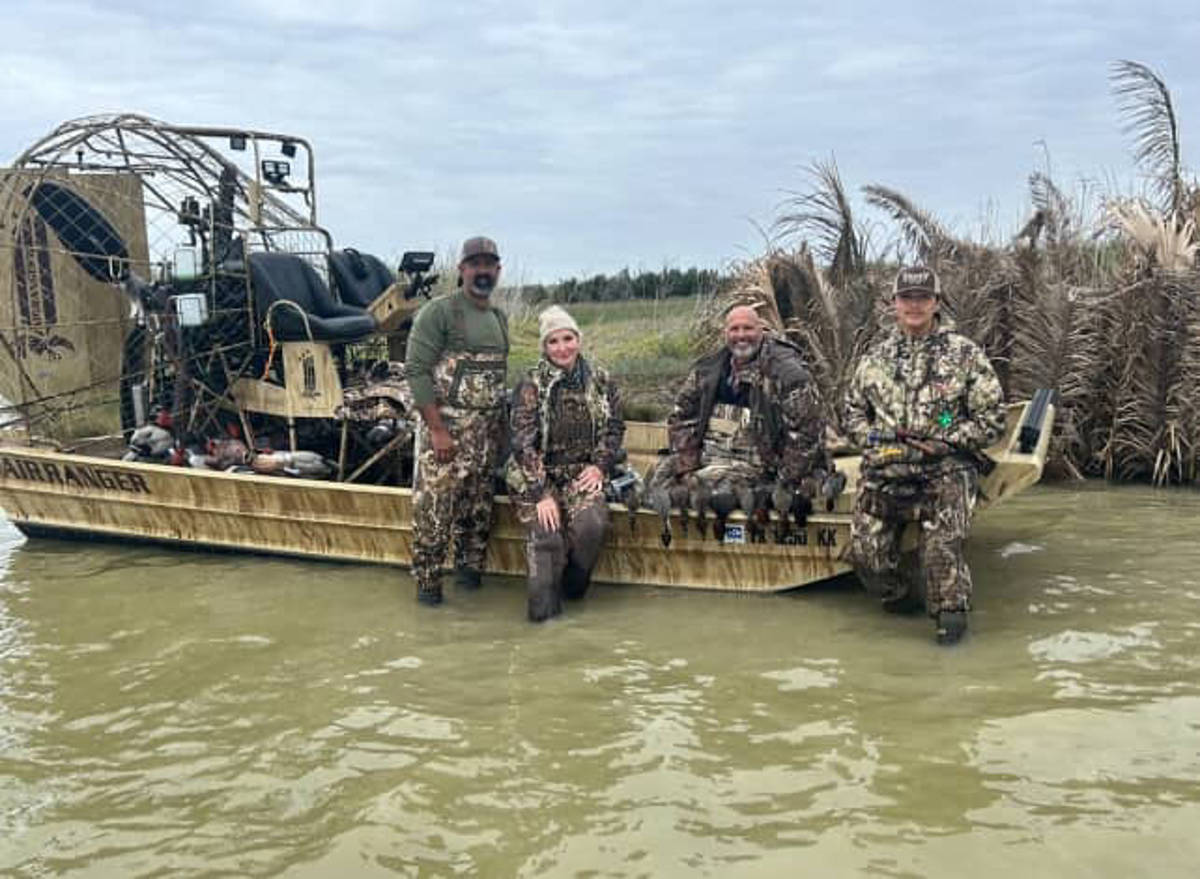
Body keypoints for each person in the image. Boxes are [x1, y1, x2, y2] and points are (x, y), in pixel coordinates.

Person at [843, 265, 1006, 644]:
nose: (914, 305)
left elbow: (993, 419)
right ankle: (902, 599)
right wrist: (871, 439)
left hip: (944, 469)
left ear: (936, 303)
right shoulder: (875, 358)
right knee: (866, 556)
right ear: (894, 304)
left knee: (940, 553)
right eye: (907, 298)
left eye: (923, 298)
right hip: (886, 468)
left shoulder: (964, 354)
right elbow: (852, 412)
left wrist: (947, 439)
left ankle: (951, 622)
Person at [652, 304, 827, 538]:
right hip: (712, 461)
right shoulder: (708, 369)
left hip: (766, 466)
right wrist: (687, 464)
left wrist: (784, 477)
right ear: (726, 333)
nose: (741, 335)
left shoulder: (788, 374)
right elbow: (681, 417)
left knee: (768, 496)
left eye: (748, 328)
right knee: (659, 483)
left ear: (761, 330)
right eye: (734, 329)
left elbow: (808, 432)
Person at [404, 236, 509, 606]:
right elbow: (416, 371)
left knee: (476, 522)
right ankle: (428, 595)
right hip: (445, 440)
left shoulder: (499, 318)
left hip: (486, 441)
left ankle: (470, 599)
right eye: (475, 264)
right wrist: (437, 431)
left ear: (498, 270)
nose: (482, 271)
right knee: (433, 520)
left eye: (489, 265)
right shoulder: (439, 312)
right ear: (462, 269)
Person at [506, 306, 625, 622]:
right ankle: (544, 617)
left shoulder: (601, 380)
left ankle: (573, 593)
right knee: (547, 534)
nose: (562, 348)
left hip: (580, 473)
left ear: (578, 340)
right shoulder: (531, 384)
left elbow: (614, 428)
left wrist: (599, 466)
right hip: (535, 474)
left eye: (568, 338)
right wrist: (541, 493)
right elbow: (522, 443)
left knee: (591, 525)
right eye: (553, 341)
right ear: (544, 347)